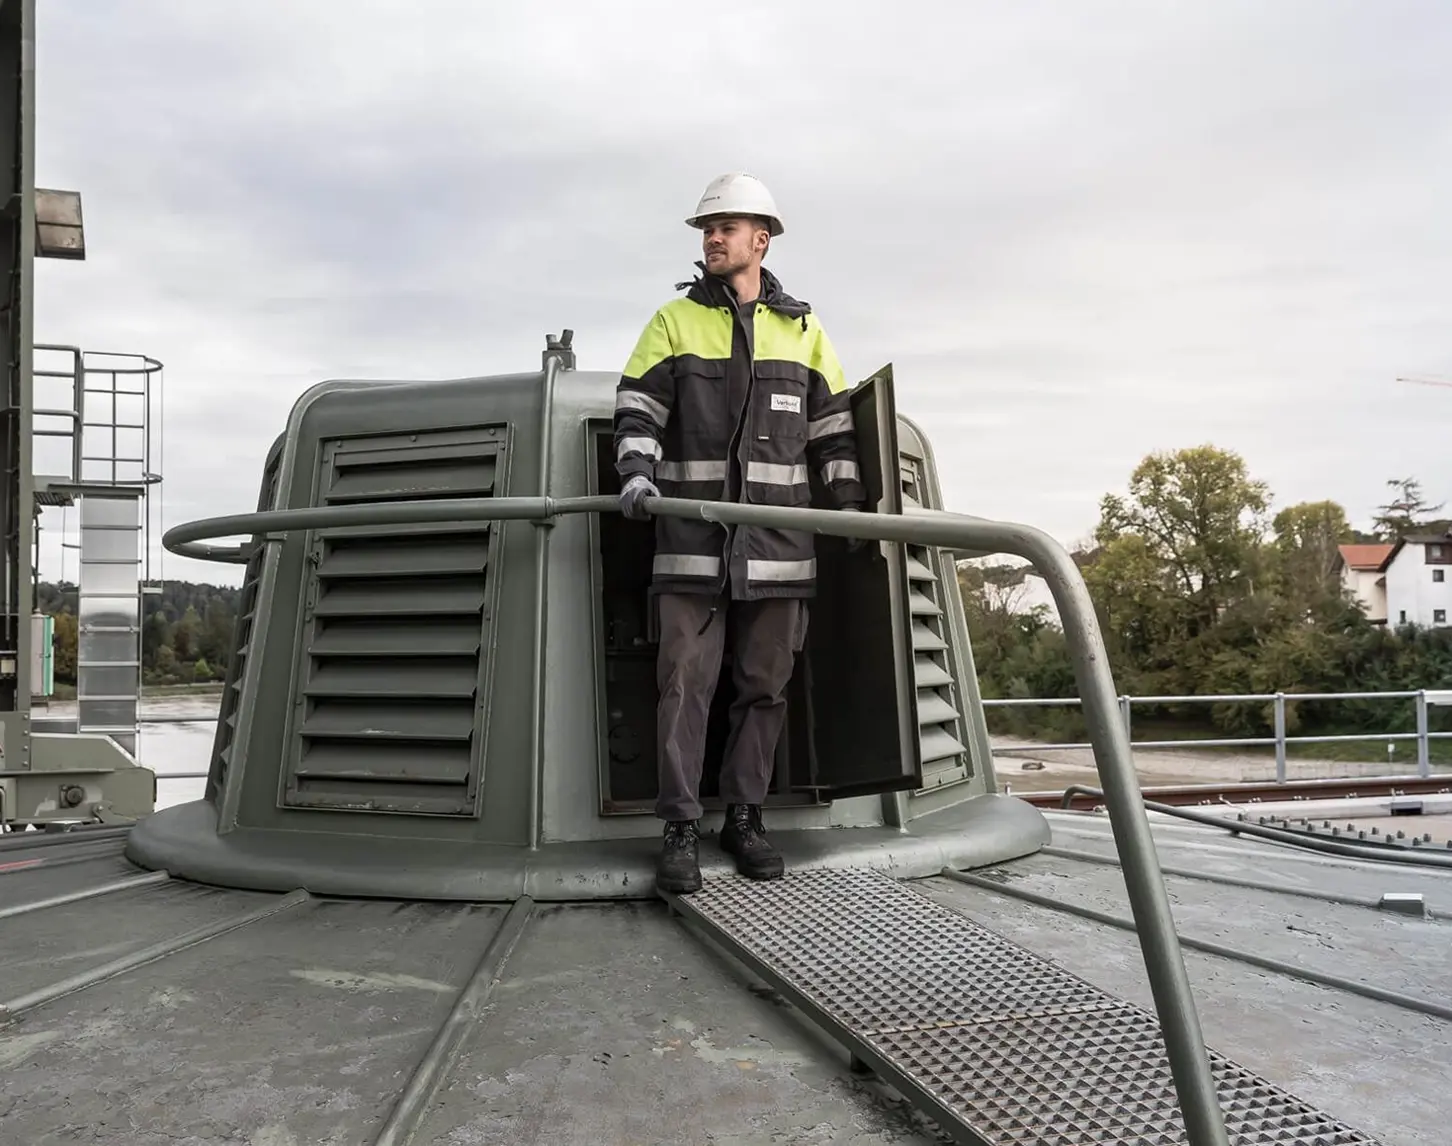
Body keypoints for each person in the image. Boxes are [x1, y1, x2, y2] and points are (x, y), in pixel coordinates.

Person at [611, 172, 867, 894]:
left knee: (765, 689)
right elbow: (637, 411)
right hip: (690, 548)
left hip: (781, 556)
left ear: (763, 239)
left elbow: (833, 431)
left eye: (726, 228)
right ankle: (681, 827)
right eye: (706, 229)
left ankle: (745, 818)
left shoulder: (805, 330)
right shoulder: (672, 322)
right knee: (683, 690)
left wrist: (849, 509)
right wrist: (636, 475)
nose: (712, 239)